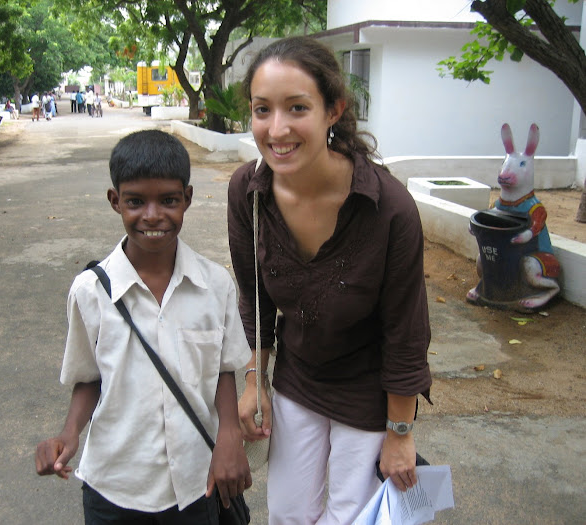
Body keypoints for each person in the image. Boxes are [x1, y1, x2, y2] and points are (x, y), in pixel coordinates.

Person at [227, 36, 432, 524]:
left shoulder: (389, 208)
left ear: (333, 110)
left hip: (368, 391)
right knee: (288, 515)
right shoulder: (249, 193)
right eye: (262, 109)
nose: (277, 129)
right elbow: (254, 297)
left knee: (350, 518)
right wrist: (256, 378)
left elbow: (406, 331)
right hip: (299, 380)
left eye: (297, 107)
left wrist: (400, 433)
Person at [36, 129, 252, 523]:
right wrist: (69, 434)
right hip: (115, 487)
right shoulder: (91, 292)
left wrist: (229, 436)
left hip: (196, 482)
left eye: (168, 200)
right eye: (136, 201)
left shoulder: (215, 285)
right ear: (115, 201)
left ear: (187, 198)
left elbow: (222, 369)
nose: (152, 215)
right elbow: (89, 377)